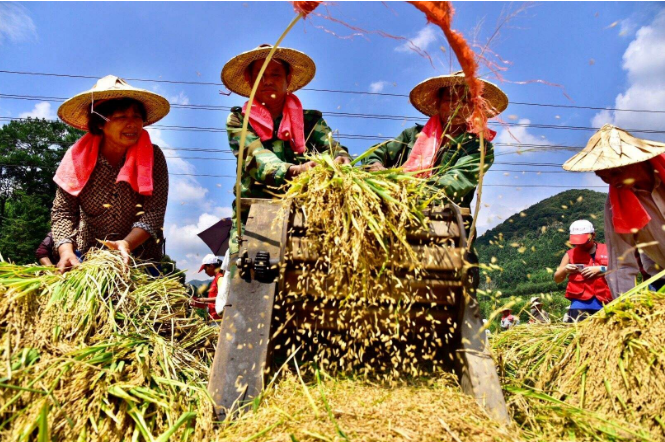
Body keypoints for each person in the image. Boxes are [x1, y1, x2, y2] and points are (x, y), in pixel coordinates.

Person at [221, 44, 352, 255]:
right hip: (255, 215)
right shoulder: (239, 119)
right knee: (250, 280)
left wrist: (340, 158)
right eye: (260, 75)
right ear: (250, 81)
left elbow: (331, 146)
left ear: (288, 80)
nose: (268, 81)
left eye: (276, 74)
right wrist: (295, 170)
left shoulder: (309, 120)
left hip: (306, 215)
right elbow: (256, 157)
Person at [51, 75, 170, 273]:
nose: (132, 124)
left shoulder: (153, 156)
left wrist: (126, 243)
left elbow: (154, 212)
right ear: (100, 123)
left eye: (137, 117)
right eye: (122, 117)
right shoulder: (76, 158)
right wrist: (65, 251)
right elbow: (63, 211)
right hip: (90, 257)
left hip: (139, 259)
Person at [363, 71, 508, 210]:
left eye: (466, 101)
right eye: (449, 99)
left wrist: (403, 190)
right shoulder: (413, 135)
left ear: (474, 108)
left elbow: (453, 184)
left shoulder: (478, 147)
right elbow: (378, 153)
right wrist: (375, 165)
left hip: (447, 220)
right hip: (394, 207)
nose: (457, 106)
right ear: (438, 103)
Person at [563, 125, 665, 297]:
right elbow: (621, 264)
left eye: (616, 172)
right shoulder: (616, 206)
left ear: (637, 161)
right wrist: (625, 309)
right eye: (603, 177)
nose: (612, 182)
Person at [554, 220, 611, 321]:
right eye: (577, 242)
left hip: (606, 301)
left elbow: (621, 269)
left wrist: (600, 269)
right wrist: (565, 270)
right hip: (580, 304)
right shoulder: (570, 254)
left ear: (593, 235)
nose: (580, 245)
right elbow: (557, 279)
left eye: (583, 242)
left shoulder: (608, 249)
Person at [190, 254, 224, 322]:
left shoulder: (220, 278)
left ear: (211, 266)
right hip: (214, 319)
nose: (205, 272)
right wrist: (198, 302)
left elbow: (223, 298)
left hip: (220, 320)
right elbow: (214, 302)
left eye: (205, 269)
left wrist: (201, 300)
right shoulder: (215, 279)